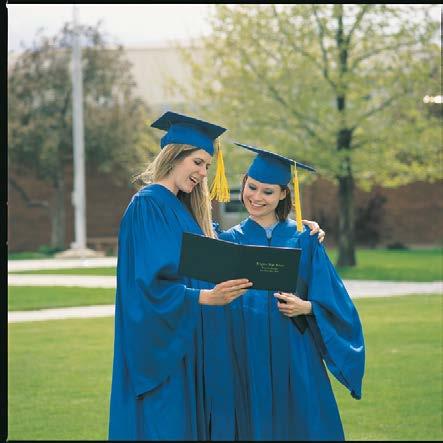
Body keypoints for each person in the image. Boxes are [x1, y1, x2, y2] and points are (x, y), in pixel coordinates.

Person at [108, 111, 254, 440]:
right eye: (198, 163)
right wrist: (204, 297)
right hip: (168, 343)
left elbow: (220, 243)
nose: (203, 174)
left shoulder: (182, 210)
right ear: (174, 155)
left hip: (189, 335)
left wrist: (298, 228)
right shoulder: (148, 205)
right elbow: (147, 285)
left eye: (206, 166)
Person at [217, 142, 365, 441]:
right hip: (244, 350)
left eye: (268, 191)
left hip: (295, 351)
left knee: (303, 422)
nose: (257, 197)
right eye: (252, 187)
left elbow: (338, 304)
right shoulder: (226, 241)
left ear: (284, 193)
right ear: (244, 184)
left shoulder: (305, 240)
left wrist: (307, 307)